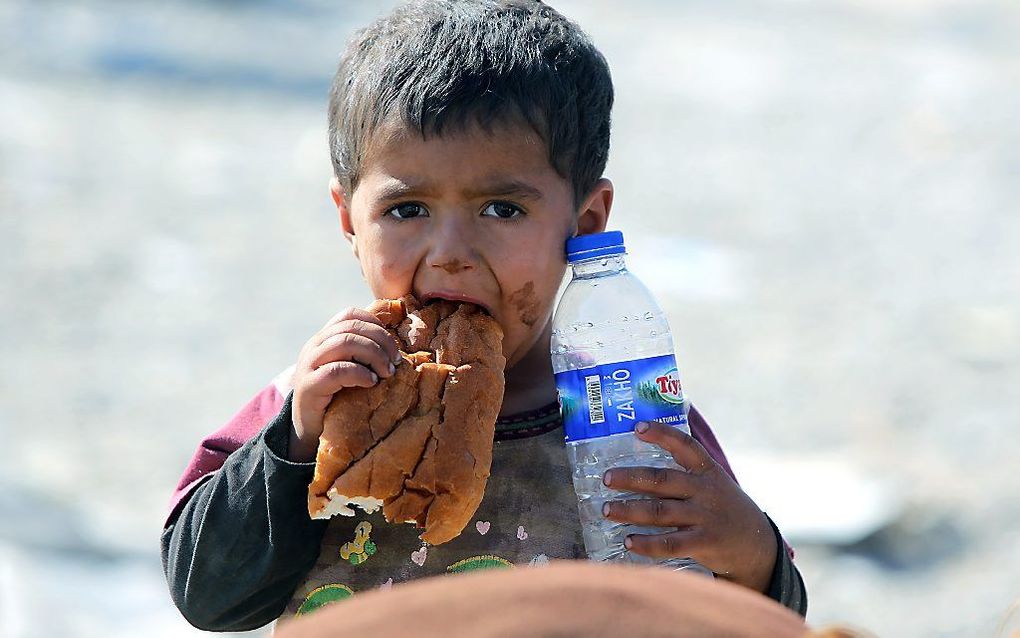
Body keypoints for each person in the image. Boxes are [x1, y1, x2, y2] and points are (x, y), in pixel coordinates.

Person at [161, 0, 807, 632]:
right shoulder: (320, 395)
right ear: (348, 220)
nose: (450, 256)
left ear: (584, 224)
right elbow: (207, 595)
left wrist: (753, 552)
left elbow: (757, 621)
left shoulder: (624, 408)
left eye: (502, 209)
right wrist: (297, 439)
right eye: (406, 210)